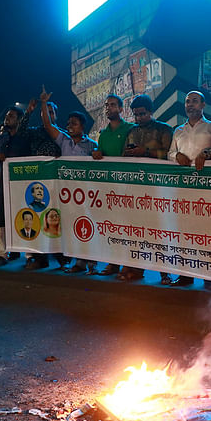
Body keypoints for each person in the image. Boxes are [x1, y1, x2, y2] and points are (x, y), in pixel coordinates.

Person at [40, 85, 98, 274]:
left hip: (86, 194)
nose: (69, 126)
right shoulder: (64, 141)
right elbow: (48, 126)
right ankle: (79, 262)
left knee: (87, 225)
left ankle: (91, 262)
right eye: (68, 123)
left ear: (83, 126)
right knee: (73, 227)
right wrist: (43, 103)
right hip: (67, 194)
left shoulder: (92, 146)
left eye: (73, 123)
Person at [167, 91, 211, 289]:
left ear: (203, 105)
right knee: (183, 232)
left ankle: (208, 277)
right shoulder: (178, 131)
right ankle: (185, 275)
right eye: (187, 102)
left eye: (194, 101)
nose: (190, 105)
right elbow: (170, 153)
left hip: (206, 190)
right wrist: (176, 156)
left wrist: (207, 153)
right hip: (183, 190)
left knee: (206, 233)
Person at [120, 94, 173, 284]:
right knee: (136, 230)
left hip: (159, 189)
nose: (138, 118)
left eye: (142, 114)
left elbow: (169, 155)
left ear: (151, 112)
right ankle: (135, 267)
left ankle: (164, 272)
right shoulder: (132, 132)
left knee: (159, 230)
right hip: (136, 188)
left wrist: (146, 153)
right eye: (135, 115)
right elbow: (123, 156)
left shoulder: (164, 130)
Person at [92, 93, 135, 276]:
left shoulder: (131, 129)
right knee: (111, 225)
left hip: (128, 187)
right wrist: (96, 152)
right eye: (107, 105)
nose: (109, 108)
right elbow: (101, 154)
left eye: (113, 105)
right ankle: (112, 262)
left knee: (127, 226)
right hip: (109, 188)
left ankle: (128, 264)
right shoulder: (102, 134)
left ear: (121, 108)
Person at [0, 103, 33, 267]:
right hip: (4, 180)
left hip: (23, 181)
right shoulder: (1, 138)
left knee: (26, 214)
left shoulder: (25, 136)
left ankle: (30, 254)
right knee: (1, 214)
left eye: (11, 116)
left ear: (20, 120)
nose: (7, 119)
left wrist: (29, 110)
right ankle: (2, 253)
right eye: (7, 116)